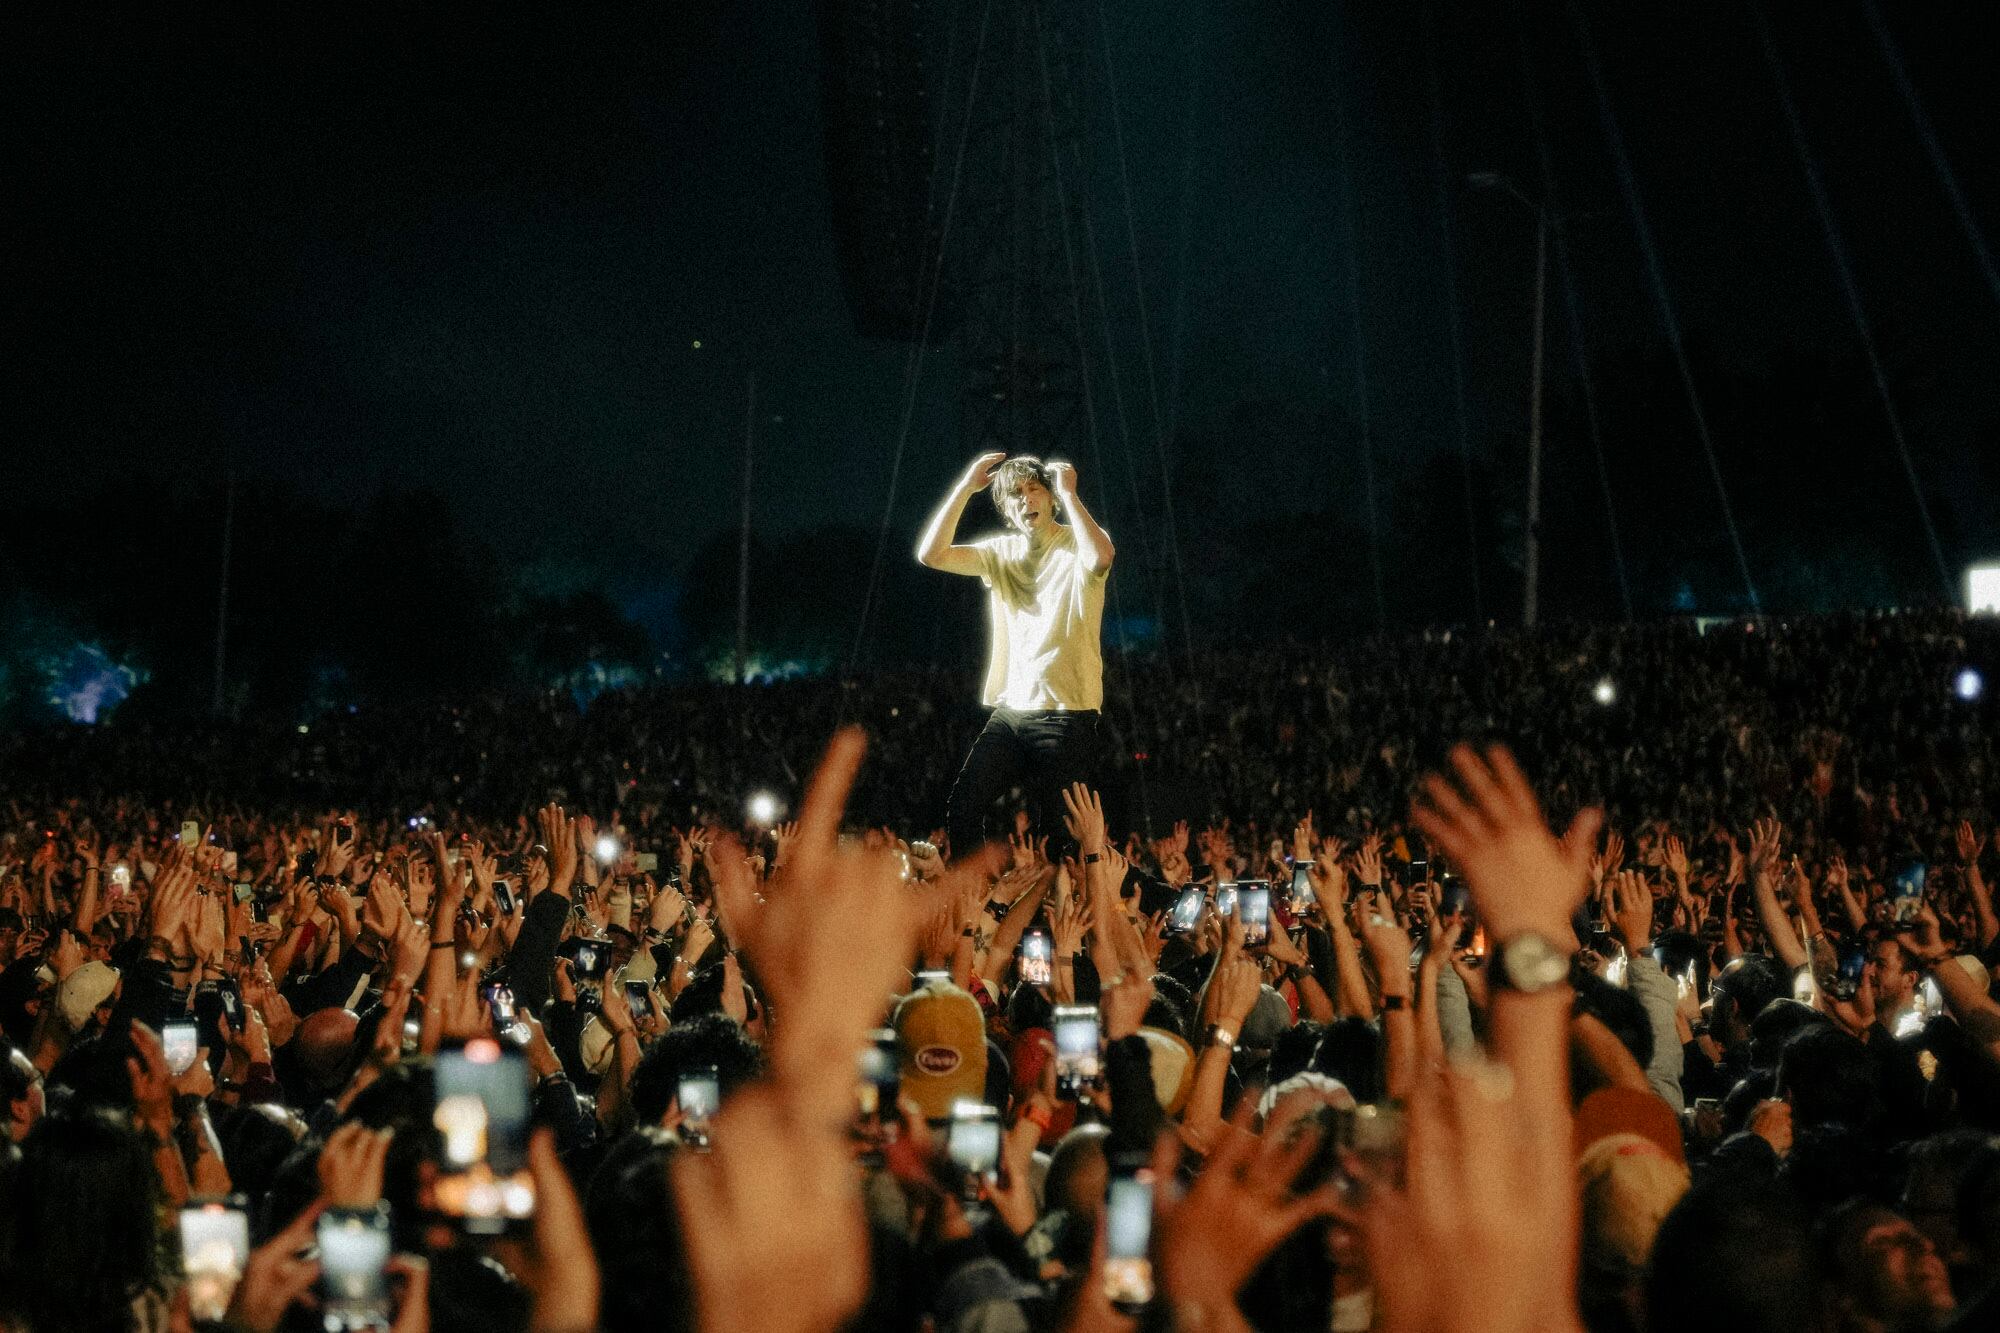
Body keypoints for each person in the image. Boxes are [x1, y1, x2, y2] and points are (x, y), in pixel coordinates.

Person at [915, 451, 1115, 860]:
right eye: (1016, 495)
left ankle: (1149, 892)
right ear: (1006, 510)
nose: (1026, 500)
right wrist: (966, 488)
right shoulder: (999, 552)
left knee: (1062, 841)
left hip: (1067, 713)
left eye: (1034, 489)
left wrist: (1070, 494)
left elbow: (1101, 558)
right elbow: (931, 555)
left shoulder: (1079, 541)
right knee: (963, 807)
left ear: (1050, 497)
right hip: (1013, 711)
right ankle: (978, 894)